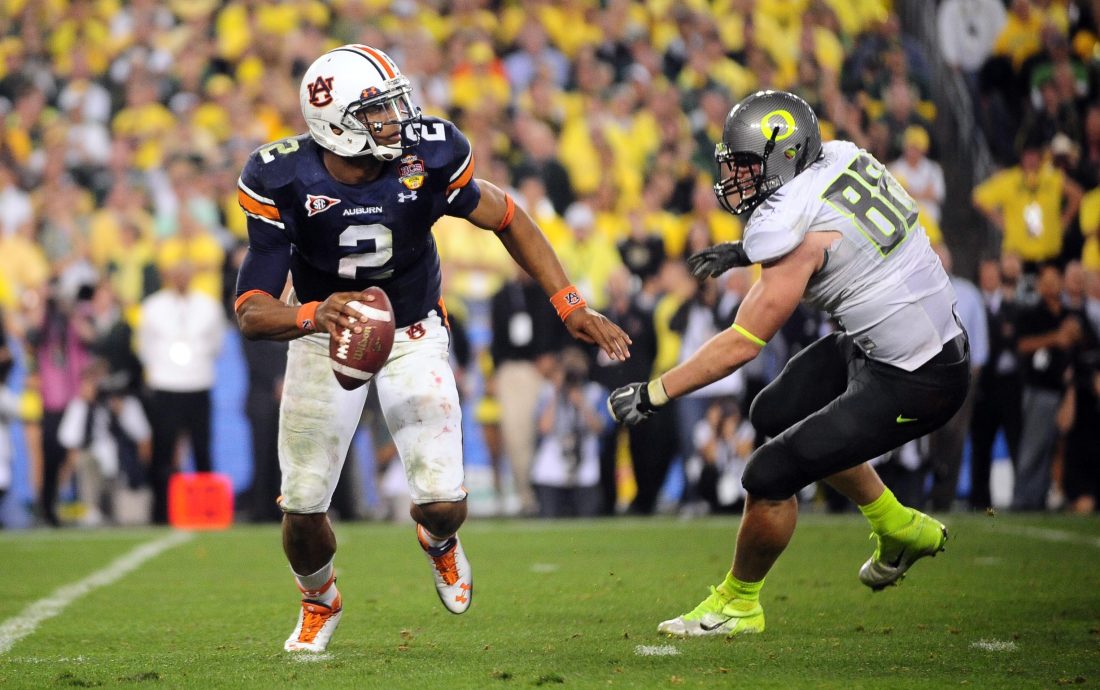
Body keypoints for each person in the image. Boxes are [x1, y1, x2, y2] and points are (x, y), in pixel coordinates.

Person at [233, 45, 630, 653]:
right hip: (323, 337)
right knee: (304, 510)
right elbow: (251, 310)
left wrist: (570, 304)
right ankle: (320, 600)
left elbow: (510, 218)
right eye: (378, 111)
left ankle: (439, 543)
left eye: (395, 102)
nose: (399, 118)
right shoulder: (281, 176)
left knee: (444, 503)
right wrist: (314, 314)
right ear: (335, 123)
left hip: (415, 329)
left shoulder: (431, 153)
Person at [608, 90, 970, 636]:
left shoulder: (793, 233)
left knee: (769, 473)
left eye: (748, 165)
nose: (735, 177)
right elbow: (829, 223)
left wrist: (652, 393)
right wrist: (742, 250)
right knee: (774, 411)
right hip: (889, 343)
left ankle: (738, 603)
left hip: (920, 377)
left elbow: (742, 343)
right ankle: (897, 526)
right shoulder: (841, 157)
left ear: (785, 157)